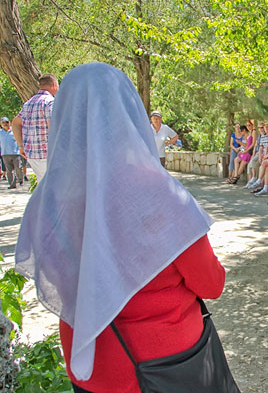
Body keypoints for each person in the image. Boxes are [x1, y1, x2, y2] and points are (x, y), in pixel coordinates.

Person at [14, 63, 226, 393]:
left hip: (90, 364)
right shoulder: (160, 195)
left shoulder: (48, 201)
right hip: (165, 362)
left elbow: (59, 278)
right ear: (128, 113)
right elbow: (210, 283)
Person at [11, 73, 59, 180]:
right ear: (54, 85)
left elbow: (15, 123)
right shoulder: (50, 102)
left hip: (32, 156)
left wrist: (21, 146)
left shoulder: (28, 104)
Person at [0, 117, 24, 188]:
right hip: (5, 154)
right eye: (3, 122)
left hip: (15, 153)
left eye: (6, 122)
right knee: (9, 170)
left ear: (9, 122)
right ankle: (12, 184)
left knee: (18, 168)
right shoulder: (0, 133)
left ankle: (20, 180)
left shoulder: (14, 131)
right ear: (1, 124)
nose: (5, 124)